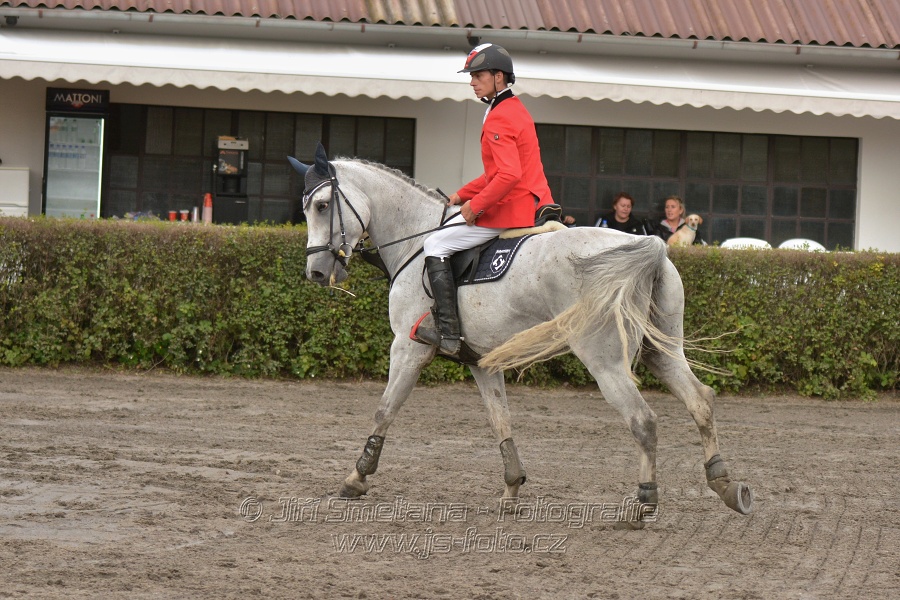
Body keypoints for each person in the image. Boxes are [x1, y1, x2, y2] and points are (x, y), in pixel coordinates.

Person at [416, 43, 556, 358]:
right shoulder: (511, 108)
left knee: (435, 245)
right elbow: (496, 173)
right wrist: (461, 194)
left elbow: (508, 176)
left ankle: (449, 333)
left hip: (510, 209)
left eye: (477, 75)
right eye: (471, 75)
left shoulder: (499, 116)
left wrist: (474, 207)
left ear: (498, 76)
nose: (472, 81)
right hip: (524, 201)